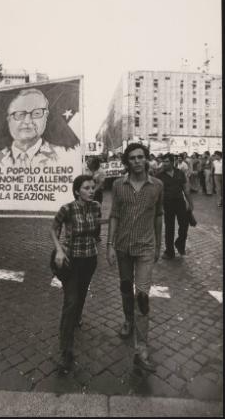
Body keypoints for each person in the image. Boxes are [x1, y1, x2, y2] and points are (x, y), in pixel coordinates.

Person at [106, 143, 163, 373]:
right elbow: (114, 216)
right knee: (125, 287)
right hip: (122, 247)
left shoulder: (157, 185)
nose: (138, 161)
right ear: (126, 162)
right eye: (133, 158)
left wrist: (159, 245)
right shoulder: (118, 185)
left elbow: (159, 216)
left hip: (146, 248)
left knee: (142, 296)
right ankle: (128, 320)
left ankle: (142, 350)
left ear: (146, 159)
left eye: (141, 157)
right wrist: (109, 245)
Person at [50, 175, 104, 374]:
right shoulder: (67, 208)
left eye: (93, 187)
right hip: (70, 261)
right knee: (71, 301)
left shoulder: (96, 206)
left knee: (81, 295)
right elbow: (53, 229)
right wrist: (59, 250)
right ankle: (66, 352)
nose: (91, 190)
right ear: (76, 191)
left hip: (90, 260)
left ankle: (77, 317)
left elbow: (97, 226)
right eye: (86, 188)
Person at [0, 88, 68, 167]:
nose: (27, 121)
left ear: (46, 117)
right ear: (9, 119)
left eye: (37, 113)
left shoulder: (64, 156)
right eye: (19, 114)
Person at [157, 153, 193, 259]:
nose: (164, 163)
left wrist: (190, 203)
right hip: (167, 204)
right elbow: (158, 193)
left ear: (172, 162)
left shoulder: (180, 173)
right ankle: (169, 251)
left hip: (180, 202)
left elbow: (185, 189)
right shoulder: (159, 175)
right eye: (163, 161)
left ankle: (180, 243)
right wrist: (160, 207)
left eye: (167, 161)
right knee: (169, 228)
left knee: (184, 224)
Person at [86, 157, 106, 241]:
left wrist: (93, 191)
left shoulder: (101, 171)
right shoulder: (88, 170)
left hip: (97, 194)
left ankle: (96, 234)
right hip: (88, 192)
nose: (88, 162)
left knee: (97, 213)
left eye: (90, 161)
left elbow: (100, 184)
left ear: (94, 163)